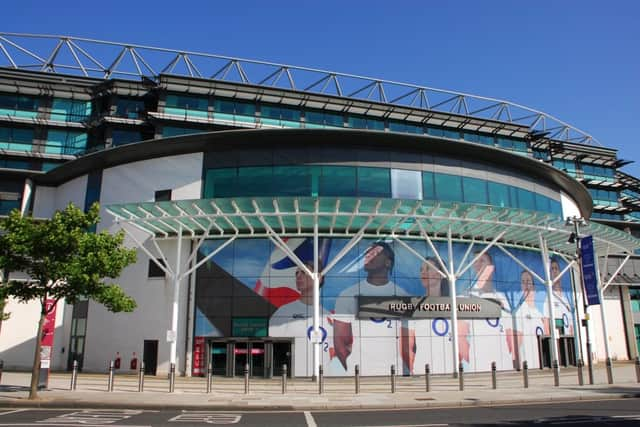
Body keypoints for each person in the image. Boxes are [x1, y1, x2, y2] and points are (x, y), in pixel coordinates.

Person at [331, 242, 408, 374]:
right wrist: (353, 369)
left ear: (388, 263)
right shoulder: (348, 294)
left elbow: (408, 342)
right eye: (368, 252)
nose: (368, 255)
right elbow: (339, 342)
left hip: (395, 374)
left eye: (376, 252)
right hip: (359, 375)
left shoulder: (402, 296)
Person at [270, 259, 332, 376]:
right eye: (297, 273)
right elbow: (273, 345)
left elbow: (332, 350)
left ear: (319, 278)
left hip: (325, 379)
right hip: (292, 375)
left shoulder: (328, 316)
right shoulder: (283, 312)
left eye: (303, 272)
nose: (298, 276)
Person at [508, 270, 545, 369]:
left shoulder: (539, 314)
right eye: (523, 282)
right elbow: (515, 346)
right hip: (526, 365)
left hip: (541, 364)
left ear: (533, 286)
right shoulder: (518, 311)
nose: (525, 285)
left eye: (528, 281)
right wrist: (516, 367)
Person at [544, 257, 574, 336]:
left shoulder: (567, 299)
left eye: (556, 268)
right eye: (552, 269)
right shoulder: (548, 298)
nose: (554, 271)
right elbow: (546, 325)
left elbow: (571, 325)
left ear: (560, 272)